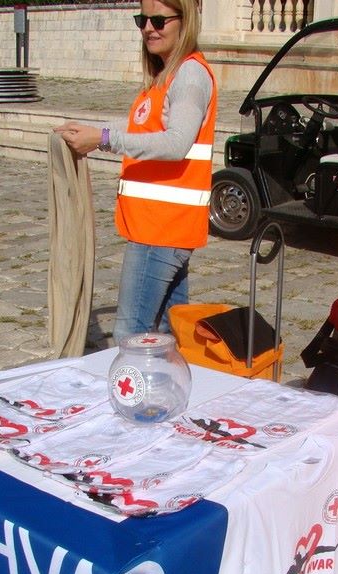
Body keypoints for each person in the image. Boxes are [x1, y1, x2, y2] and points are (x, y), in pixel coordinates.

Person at [53, 0, 217, 342]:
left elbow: (177, 142)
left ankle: (134, 381)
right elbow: (139, 125)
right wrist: (93, 132)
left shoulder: (189, 75)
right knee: (168, 335)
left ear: (184, 21)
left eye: (159, 20)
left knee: (132, 336)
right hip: (160, 226)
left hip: (161, 230)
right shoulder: (167, 75)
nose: (149, 28)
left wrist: (104, 138)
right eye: (142, 20)